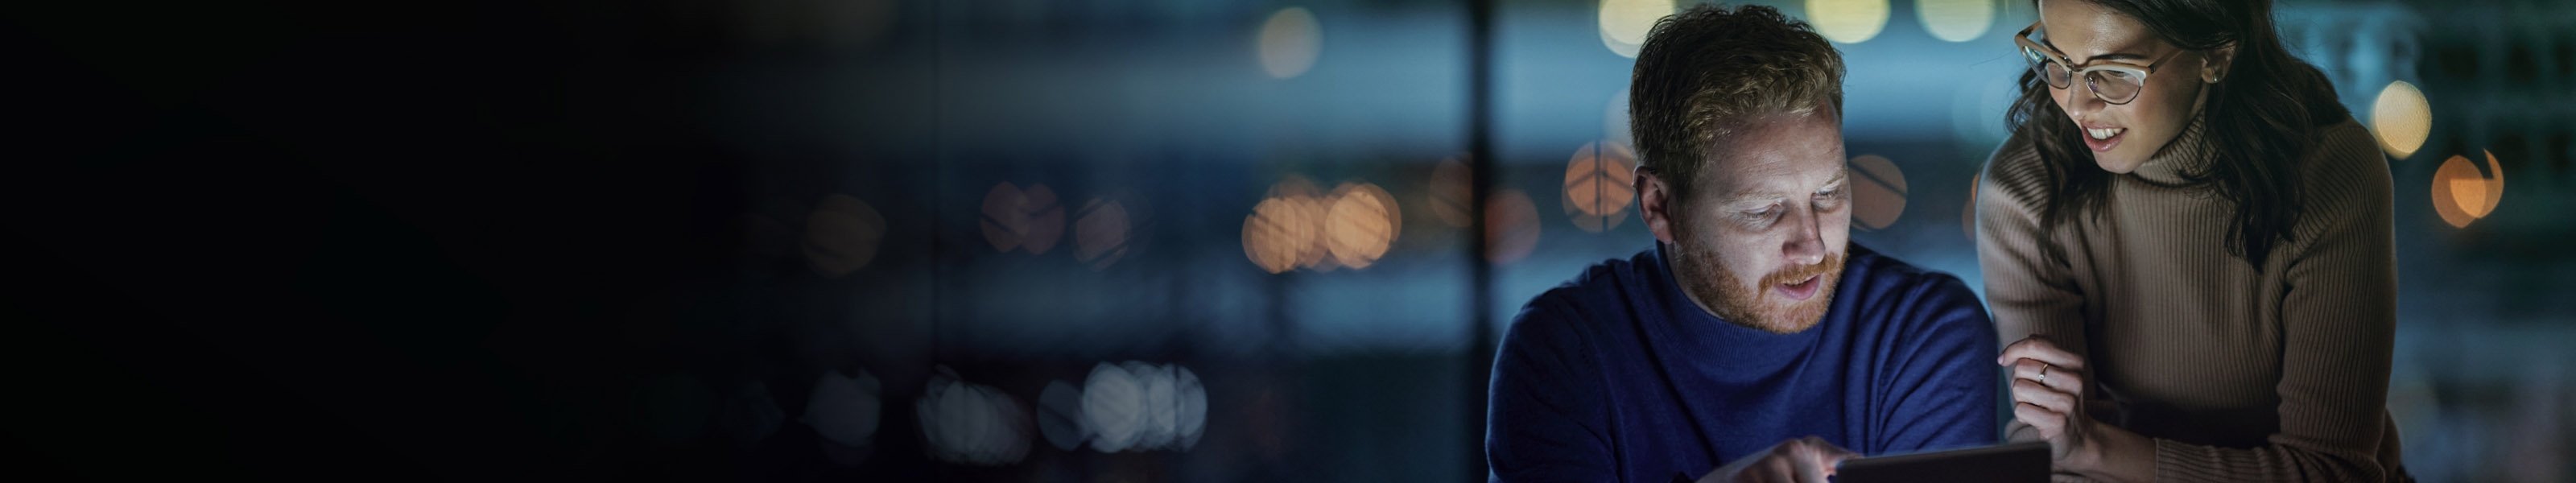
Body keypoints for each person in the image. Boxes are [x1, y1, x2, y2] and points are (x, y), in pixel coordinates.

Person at [1485, 5, 1997, 482]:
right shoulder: (1563, 354)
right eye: (1763, 211)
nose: (1813, 246)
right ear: (1659, 207)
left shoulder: (1921, 330)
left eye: (1829, 195)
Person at [1975, 0, 2411, 480]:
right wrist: (2077, 451)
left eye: (2114, 70)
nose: (2078, 103)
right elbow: (2053, 459)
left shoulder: (2328, 176)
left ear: (2215, 54)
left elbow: (2331, 472)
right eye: (2057, 61)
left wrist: (2097, 450)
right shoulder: (2028, 192)